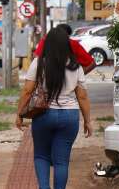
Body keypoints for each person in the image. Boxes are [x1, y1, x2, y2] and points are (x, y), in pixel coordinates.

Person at [15, 27, 93, 189]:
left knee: (41, 156)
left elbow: (27, 90)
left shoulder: (39, 63)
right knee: (61, 161)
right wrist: (87, 121)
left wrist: (19, 114)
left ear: (48, 43)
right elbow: (82, 97)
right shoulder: (75, 66)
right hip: (70, 116)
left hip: (44, 115)